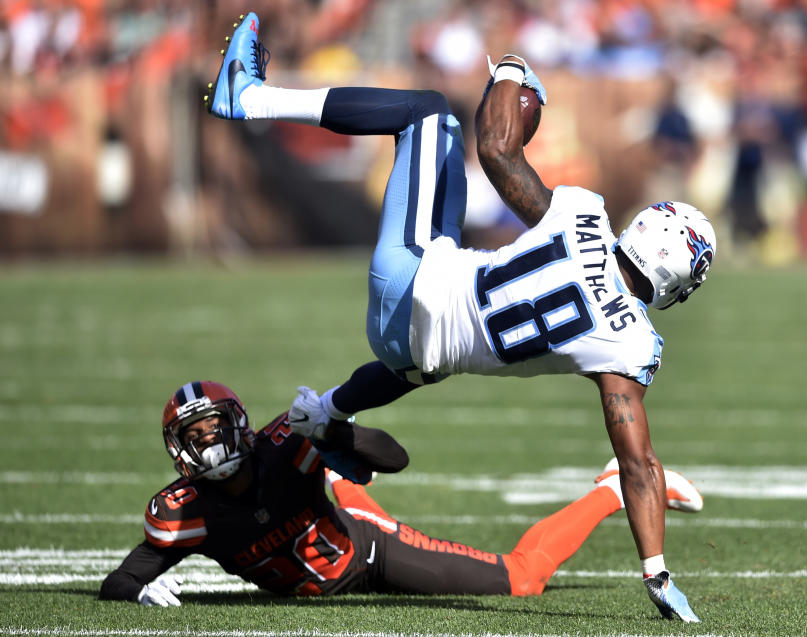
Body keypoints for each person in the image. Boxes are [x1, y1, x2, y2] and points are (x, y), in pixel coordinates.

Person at [205, 13, 715, 622]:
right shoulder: (628, 348)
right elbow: (637, 463)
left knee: (426, 112)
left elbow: (497, 149)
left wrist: (510, 73)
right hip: (406, 348)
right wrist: (655, 572)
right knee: (438, 358)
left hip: (411, 277)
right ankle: (331, 411)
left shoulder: (581, 216)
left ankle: (253, 99)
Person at [99, 380, 700, 606]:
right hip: (327, 526)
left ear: (240, 423)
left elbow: (395, 457)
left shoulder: (282, 445)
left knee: (523, 579)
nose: (209, 445)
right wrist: (140, 589)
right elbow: (122, 578)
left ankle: (609, 490)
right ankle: (336, 477)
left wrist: (338, 433)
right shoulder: (186, 513)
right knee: (337, 484)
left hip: (367, 551)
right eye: (194, 437)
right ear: (178, 451)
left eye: (215, 429)